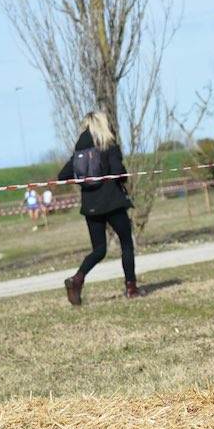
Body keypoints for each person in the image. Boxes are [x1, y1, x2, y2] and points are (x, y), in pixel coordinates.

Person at [59, 111, 143, 303]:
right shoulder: (108, 145)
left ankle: (77, 278)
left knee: (99, 249)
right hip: (113, 202)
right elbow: (118, 172)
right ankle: (131, 289)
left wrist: (85, 182)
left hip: (90, 206)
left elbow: (63, 176)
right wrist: (122, 175)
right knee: (126, 245)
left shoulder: (79, 151)